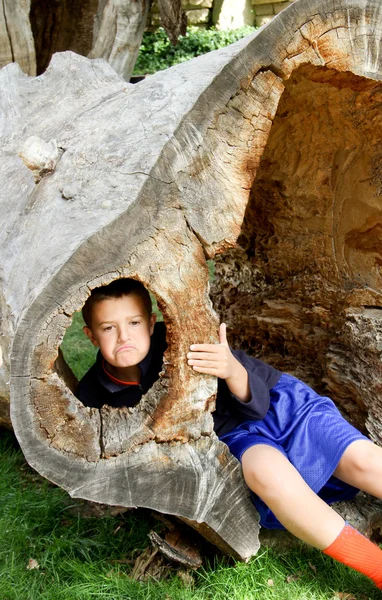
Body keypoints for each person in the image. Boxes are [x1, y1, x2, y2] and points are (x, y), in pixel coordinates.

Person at [76, 278, 382, 589]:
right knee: (268, 474)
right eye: (108, 328)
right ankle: (378, 568)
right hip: (233, 437)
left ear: (151, 323)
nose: (124, 336)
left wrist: (231, 368)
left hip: (279, 404)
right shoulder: (92, 394)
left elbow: (256, 401)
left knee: (363, 461)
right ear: (90, 335)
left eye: (134, 322)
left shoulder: (182, 338)